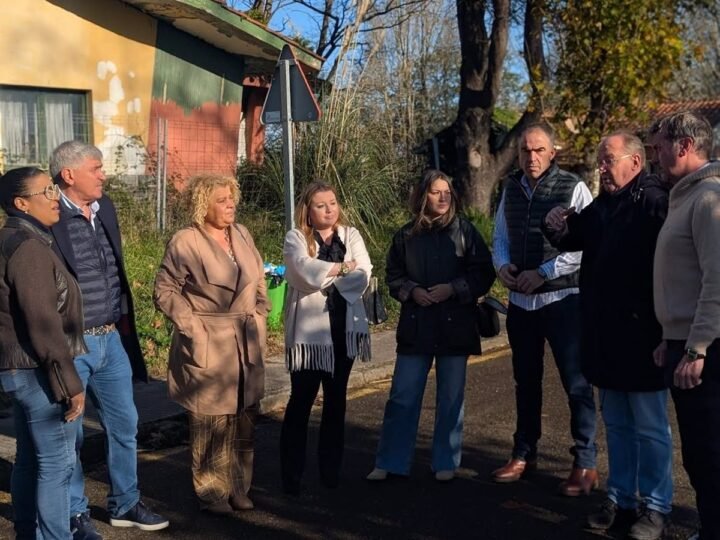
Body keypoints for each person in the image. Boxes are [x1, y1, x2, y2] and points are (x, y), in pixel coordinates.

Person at [544, 132, 672, 539]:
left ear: (634, 163)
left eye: (607, 159)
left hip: (645, 336)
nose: (600, 167)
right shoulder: (604, 205)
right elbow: (574, 234)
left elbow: (675, 269)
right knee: (616, 424)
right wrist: (556, 228)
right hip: (604, 336)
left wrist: (668, 332)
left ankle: (656, 506)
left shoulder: (656, 203)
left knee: (651, 427)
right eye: (600, 160)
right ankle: (622, 498)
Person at [48, 141, 169, 538]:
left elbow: (113, 266)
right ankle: (74, 514)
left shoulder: (105, 209)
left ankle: (125, 503)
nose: (104, 174)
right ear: (69, 174)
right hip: (71, 344)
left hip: (110, 338)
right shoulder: (48, 218)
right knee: (71, 434)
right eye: (96, 168)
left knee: (125, 423)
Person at [366, 169, 495, 482]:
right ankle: (391, 460)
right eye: (436, 192)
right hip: (417, 324)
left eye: (447, 191)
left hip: (455, 324)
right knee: (402, 395)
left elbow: (484, 273)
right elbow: (393, 275)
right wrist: (412, 291)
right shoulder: (405, 235)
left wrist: (455, 288)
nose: (443, 197)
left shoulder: (465, 231)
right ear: (422, 195)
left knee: (451, 397)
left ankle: (445, 461)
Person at [490, 123, 598, 495]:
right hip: (522, 303)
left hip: (563, 300)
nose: (531, 157)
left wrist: (544, 273)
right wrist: (502, 267)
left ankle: (585, 462)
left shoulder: (573, 187)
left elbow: (587, 245)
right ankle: (524, 453)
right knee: (526, 381)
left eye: (538, 150)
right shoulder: (511, 188)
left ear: (553, 152)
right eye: (524, 151)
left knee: (576, 383)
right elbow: (500, 236)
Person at [154, 174, 270, 515]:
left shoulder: (243, 234)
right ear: (202, 205)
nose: (230, 204)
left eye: (232, 198)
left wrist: (261, 310)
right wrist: (193, 327)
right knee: (210, 421)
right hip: (209, 340)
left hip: (246, 340)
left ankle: (239, 486)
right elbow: (165, 290)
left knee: (245, 417)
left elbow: (259, 277)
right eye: (221, 200)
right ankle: (211, 492)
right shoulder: (186, 241)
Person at [0, 167, 86, 539]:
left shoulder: (12, 239)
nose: (55, 196)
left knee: (30, 459)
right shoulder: (29, 247)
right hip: (36, 371)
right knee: (56, 464)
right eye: (46, 190)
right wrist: (70, 383)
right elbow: (43, 323)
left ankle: (25, 530)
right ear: (21, 203)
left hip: (16, 370)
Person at [651, 111, 720, 540]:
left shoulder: (709, 199)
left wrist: (696, 348)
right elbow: (684, 278)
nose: (656, 156)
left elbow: (717, 280)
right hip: (682, 342)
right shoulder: (685, 197)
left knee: (711, 452)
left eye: (659, 147)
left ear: (685, 145)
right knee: (697, 454)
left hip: (706, 351)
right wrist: (668, 338)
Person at [280, 181, 372, 495]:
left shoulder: (352, 235)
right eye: (321, 205)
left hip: (343, 329)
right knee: (300, 402)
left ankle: (330, 472)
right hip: (309, 337)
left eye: (332, 203)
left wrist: (330, 273)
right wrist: (341, 268)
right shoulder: (296, 238)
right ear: (308, 210)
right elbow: (301, 271)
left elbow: (365, 272)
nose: (329, 209)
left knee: (336, 403)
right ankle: (291, 475)